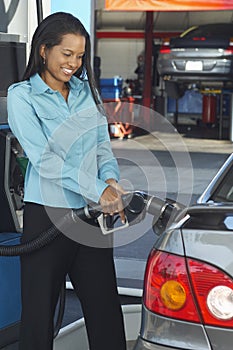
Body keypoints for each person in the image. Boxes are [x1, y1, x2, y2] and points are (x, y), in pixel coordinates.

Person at [7, 12, 127, 350]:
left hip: (90, 218)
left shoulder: (84, 92)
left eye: (79, 55)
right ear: (44, 50)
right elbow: (44, 159)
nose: (73, 63)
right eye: (66, 54)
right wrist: (98, 190)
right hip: (48, 215)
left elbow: (102, 144)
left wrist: (111, 180)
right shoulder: (22, 96)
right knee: (38, 319)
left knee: (105, 311)